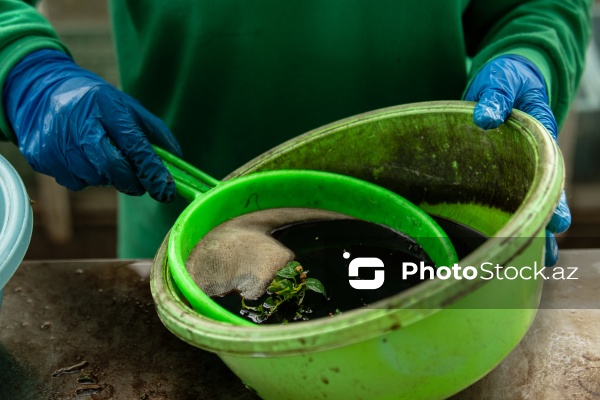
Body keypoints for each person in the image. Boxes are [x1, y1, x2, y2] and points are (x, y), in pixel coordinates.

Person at [0, 1, 591, 264]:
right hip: (185, 222)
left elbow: (535, 5)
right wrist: (24, 68)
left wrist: (530, 55)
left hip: (429, 223)